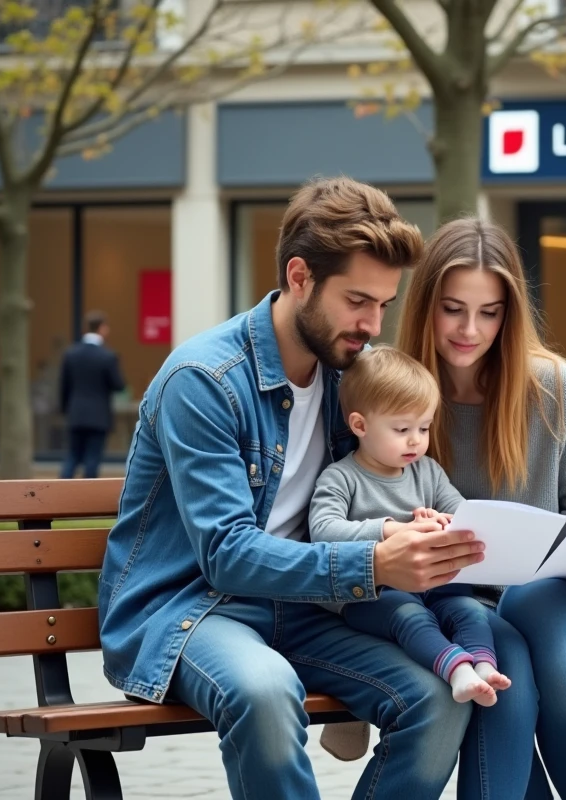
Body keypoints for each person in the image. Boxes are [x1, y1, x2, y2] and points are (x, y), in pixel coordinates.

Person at [96, 177, 487, 800]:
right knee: (264, 690)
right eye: (358, 300)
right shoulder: (204, 380)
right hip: (193, 610)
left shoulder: (347, 378)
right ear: (300, 276)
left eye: (384, 304)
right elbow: (226, 554)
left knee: (439, 700)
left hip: (302, 608)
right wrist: (372, 561)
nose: (371, 324)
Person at [397, 218, 566, 799]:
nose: (469, 329)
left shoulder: (552, 387)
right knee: (504, 668)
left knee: (537, 628)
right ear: (425, 303)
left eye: (489, 312)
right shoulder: (393, 391)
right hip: (466, 613)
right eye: (453, 308)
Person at [310, 346, 510, 708]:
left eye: (424, 427)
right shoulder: (341, 478)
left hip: (434, 582)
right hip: (373, 593)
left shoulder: (427, 471)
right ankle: (456, 670)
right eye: (402, 429)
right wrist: (390, 530)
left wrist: (446, 522)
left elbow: (459, 510)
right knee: (411, 617)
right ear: (360, 425)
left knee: (470, 610)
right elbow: (323, 531)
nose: (416, 440)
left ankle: (483, 665)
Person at [58, 311, 126, 478]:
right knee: (92, 459)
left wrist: (66, 410)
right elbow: (119, 385)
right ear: (102, 328)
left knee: (72, 457)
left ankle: (59, 497)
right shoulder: (107, 356)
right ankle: (86, 499)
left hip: (76, 414)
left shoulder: (70, 354)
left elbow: (63, 387)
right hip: (98, 416)